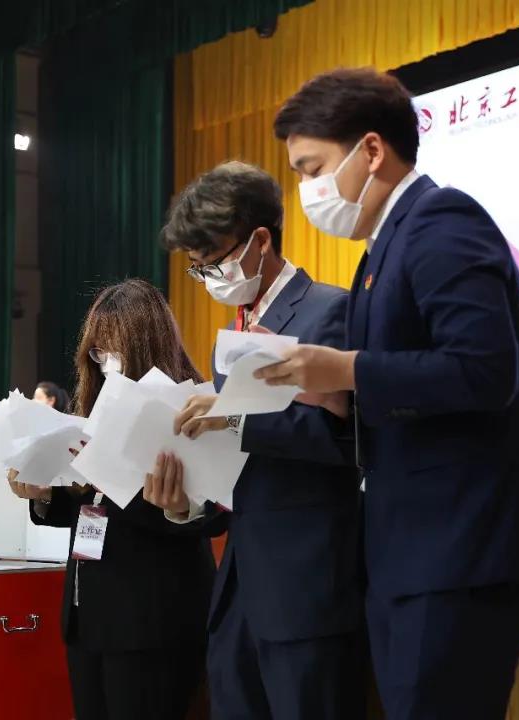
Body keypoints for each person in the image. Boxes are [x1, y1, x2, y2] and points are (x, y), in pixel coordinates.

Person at [255, 68, 519, 719]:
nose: (309, 191)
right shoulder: (383, 248)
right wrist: (329, 393)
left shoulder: (441, 222)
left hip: (462, 545)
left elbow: (485, 370)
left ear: (371, 150)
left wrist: (346, 371)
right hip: (417, 546)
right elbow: (402, 379)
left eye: (314, 169)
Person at [151, 161, 365, 719]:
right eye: (197, 269)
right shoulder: (233, 334)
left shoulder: (330, 311)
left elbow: (347, 440)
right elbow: (241, 464)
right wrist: (186, 503)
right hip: (240, 585)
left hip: (308, 580)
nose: (208, 278)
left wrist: (235, 419)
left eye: (213, 262)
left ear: (261, 241)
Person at [7, 279, 216, 720]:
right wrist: (45, 494)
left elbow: (211, 511)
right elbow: (91, 503)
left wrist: (169, 505)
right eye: (98, 353)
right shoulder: (98, 403)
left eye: (113, 351)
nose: (105, 364)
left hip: (150, 617)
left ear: (145, 341)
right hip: (88, 613)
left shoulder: (188, 402)